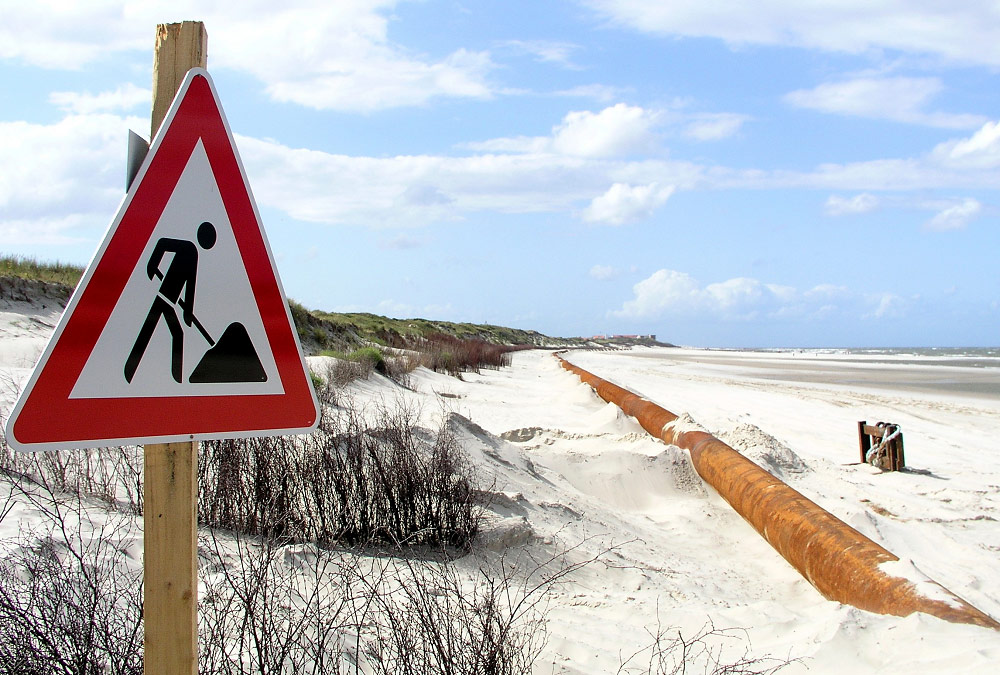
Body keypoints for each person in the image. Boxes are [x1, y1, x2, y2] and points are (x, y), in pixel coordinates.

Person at [124, 221, 216, 383]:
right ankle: (133, 371)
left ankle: (135, 370)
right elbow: (162, 243)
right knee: (161, 332)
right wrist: (152, 264)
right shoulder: (188, 248)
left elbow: (190, 285)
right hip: (163, 298)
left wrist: (188, 312)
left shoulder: (193, 254)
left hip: (169, 302)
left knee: (157, 331)